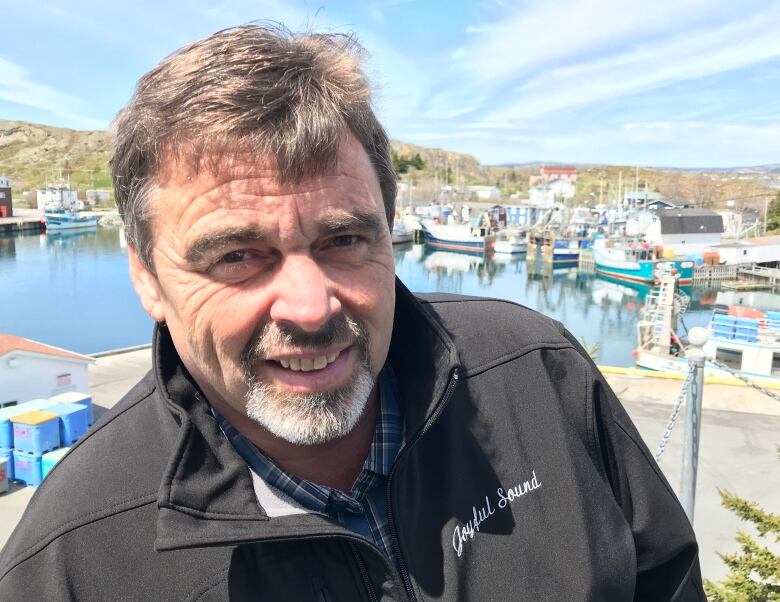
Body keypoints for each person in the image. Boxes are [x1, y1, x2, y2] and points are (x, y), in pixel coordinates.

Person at [0, 25, 705, 600]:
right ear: (146, 276)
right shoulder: (71, 562)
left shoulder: (538, 375)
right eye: (237, 257)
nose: (310, 308)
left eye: (343, 240)